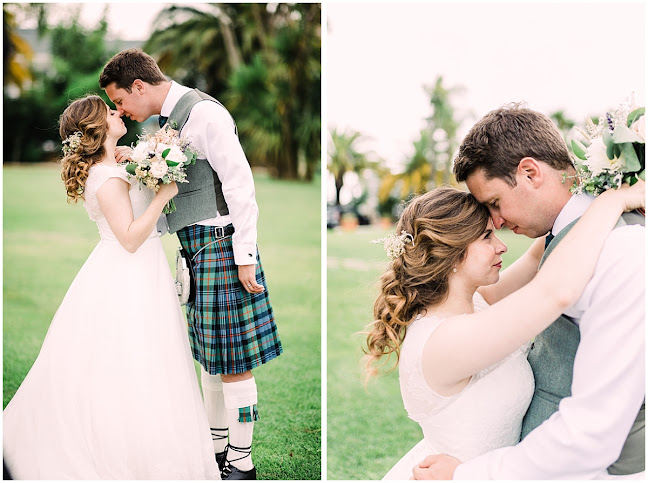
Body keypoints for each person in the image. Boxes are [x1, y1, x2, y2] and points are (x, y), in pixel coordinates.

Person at [411, 105, 645, 479]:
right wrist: (610, 199)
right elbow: (554, 286)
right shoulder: (561, 239)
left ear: (530, 172)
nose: (498, 224)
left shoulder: (621, 248)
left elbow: (594, 429)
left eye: (494, 204)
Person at [365, 180, 644, 480]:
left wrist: (601, 180)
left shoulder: (477, 302)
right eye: (486, 237)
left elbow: (541, 252)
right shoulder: (446, 342)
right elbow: (554, 291)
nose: (502, 245)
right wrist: (612, 201)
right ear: (451, 254)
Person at [3, 95, 220, 479]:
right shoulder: (105, 179)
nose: (118, 112)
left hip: (136, 271)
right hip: (128, 273)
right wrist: (163, 195)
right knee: (133, 361)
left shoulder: (113, 165)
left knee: (145, 359)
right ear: (98, 128)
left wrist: (137, 163)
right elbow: (131, 237)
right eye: (110, 111)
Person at [99, 48, 283, 480]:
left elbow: (240, 185)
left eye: (120, 100)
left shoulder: (204, 115)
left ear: (138, 86)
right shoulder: (167, 122)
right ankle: (216, 449)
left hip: (222, 246)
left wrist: (245, 257)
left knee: (234, 359)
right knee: (210, 355)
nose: (119, 110)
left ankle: (241, 461)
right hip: (195, 250)